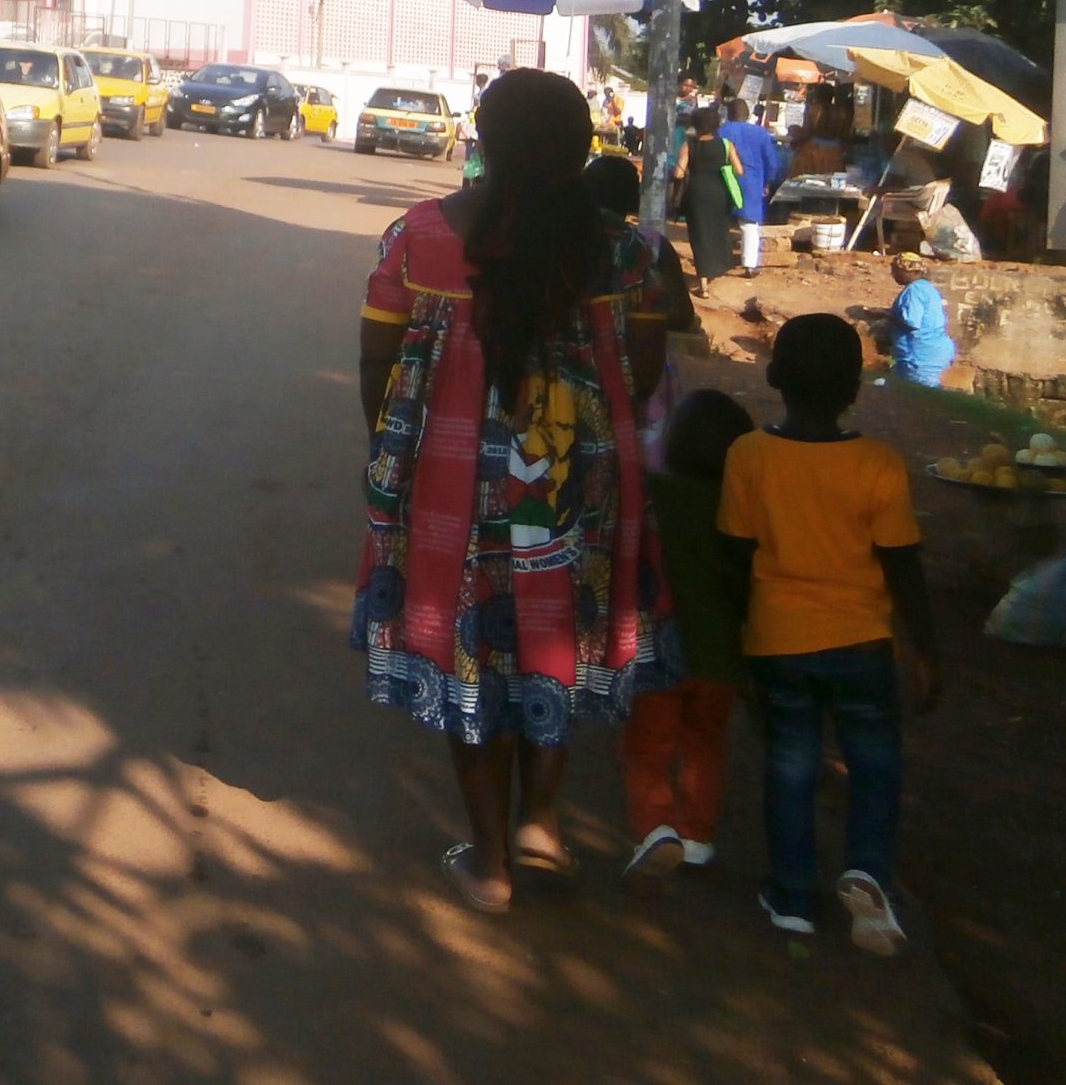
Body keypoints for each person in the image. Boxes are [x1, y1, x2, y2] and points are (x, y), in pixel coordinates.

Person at [355, 69, 675, 915]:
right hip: (583, 481)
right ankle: (542, 825)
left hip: (453, 481)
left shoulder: (419, 237)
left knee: (474, 648)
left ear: (483, 143)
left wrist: (395, 457)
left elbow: (375, 363)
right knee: (553, 632)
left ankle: (490, 861)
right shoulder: (627, 251)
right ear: (583, 149)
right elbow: (643, 373)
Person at [719, 313, 939, 953]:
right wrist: (925, 649)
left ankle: (791, 898)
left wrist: (739, 635)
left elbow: (735, 554)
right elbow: (903, 564)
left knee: (790, 763)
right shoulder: (879, 465)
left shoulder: (748, 455)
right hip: (862, 643)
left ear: (775, 377)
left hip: (777, 640)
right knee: (875, 761)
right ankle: (867, 870)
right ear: (854, 387)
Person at [622, 389, 756, 879]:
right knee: (706, 743)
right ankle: (698, 836)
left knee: (649, 744)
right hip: (720, 656)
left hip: (660, 647)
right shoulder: (740, 511)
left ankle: (655, 827)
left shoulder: (657, 491)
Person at [583, 153, 695, 469]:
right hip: (644, 361)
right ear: (634, 197)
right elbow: (683, 316)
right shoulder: (652, 244)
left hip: (586, 363)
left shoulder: (566, 238)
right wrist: (638, 309)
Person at [671, 107, 744, 294]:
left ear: (695, 125)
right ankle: (713, 271)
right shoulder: (726, 144)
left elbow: (678, 173)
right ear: (716, 124)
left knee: (699, 235)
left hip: (695, 195)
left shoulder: (689, 145)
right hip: (719, 195)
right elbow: (739, 171)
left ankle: (702, 282)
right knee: (717, 233)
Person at [720, 98, 785, 274]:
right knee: (749, 224)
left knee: (721, 221)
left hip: (724, 180)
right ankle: (749, 264)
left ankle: (720, 260)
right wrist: (768, 182)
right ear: (747, 114)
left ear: (728, 113)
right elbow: (772, 162)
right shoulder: (761, 133)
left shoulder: (721, 131)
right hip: (752, 182)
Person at [883, 254, 957, 388]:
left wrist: (885, 315)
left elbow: (912, 322)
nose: (893, 274)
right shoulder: (927, 287)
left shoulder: (914, 290)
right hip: (933, 350)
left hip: (920, 355)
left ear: (907, 270)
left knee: (919, 398)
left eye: (895, 270)